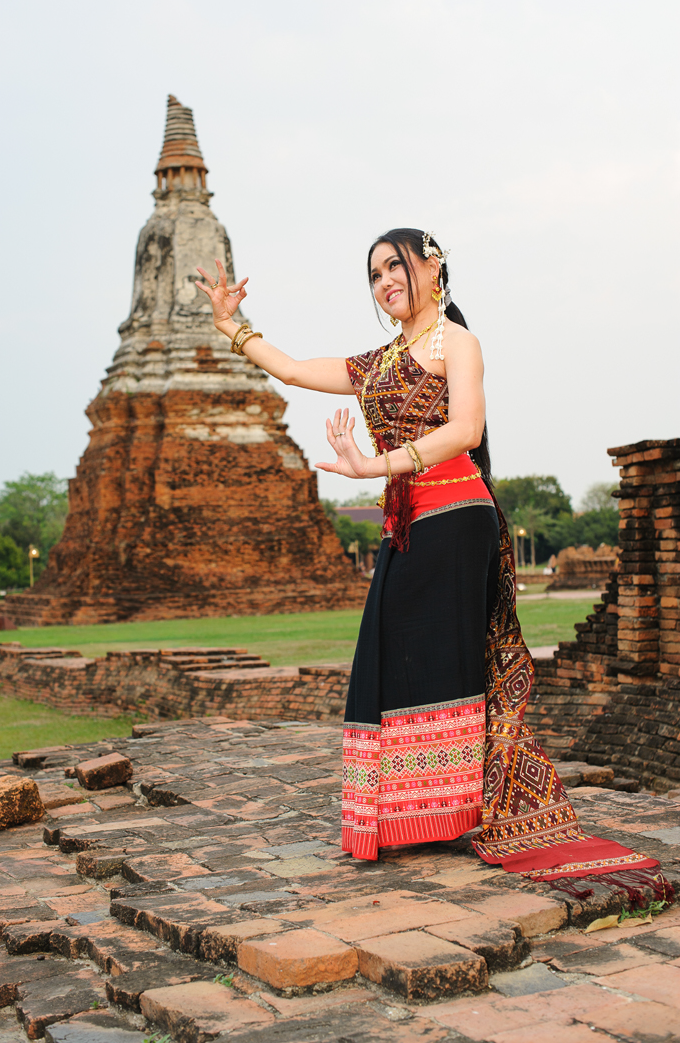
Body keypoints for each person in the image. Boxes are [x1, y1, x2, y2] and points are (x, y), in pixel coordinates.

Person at [195, 229, 660, 889]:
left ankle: (440, 810)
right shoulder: (380, 360)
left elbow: (465, 429)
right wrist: (230, 325)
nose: (384, 280)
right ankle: (412, 812)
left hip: (454, 516)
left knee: (439, 661)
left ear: (432, 268)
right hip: (407, 523)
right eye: (373, 274)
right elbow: (297, 369)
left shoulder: (455, 342)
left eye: (396, 265)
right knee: (392, 657)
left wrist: (374, 463)